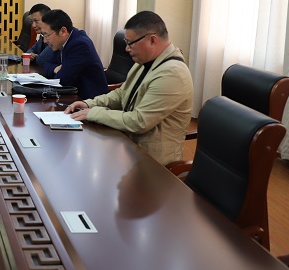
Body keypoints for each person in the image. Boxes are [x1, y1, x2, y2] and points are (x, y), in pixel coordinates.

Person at [65, 11, 193, 165]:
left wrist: (94, 113)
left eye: (130, 43)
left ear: (152, 40)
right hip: (128, 147)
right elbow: (121, 94)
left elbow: (139, 121)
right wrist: (89, 104)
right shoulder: (145, 62)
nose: (126, 48)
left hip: (152, 164)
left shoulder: (172, 73)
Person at [37, 9, 108, 99]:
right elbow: (46, 63)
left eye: (46, 35)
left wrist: (58, 71)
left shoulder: (80, 45)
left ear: (63, 31)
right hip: (72, 95)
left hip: (89, 100)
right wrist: (55, 69)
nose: (45, 41)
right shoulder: (62, 42)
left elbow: (62, 80)